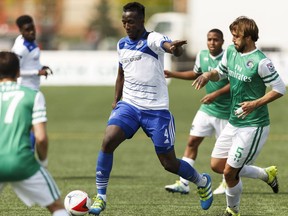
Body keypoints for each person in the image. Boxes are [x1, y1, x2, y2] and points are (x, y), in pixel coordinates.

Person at [89, 2, 213, 215]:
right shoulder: (121, 44)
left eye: (131, 21)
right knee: (108, 141)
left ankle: (202, 182)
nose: (127, 25)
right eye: (124, 21)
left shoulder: (152, 39)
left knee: (169, 163)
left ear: (141, 21)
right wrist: (116, 100)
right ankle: (100, 197)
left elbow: (168, 46)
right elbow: (121, 74)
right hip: (129, 106)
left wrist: (175, 48)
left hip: (156, 111)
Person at [192, 16, 286, 216]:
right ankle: (265, 174)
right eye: (232, 36)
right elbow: (221, 72)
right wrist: (210, 74)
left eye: (237, 36)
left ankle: (232, 210)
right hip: (234, 121)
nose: (233, 40)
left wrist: (255, 103)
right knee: (217, 165)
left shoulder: (261, 62)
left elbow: (279, 88)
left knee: (229, 172)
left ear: (249, 37)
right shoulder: (230, 52)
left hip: (254, 124)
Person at [0, 51, 69, 216]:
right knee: (56, 206)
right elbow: (40, 137)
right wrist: (43, 162)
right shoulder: (33, 95)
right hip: (21, 162)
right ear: (18, 72)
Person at [164, 29, 230, 195]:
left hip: (226, 112)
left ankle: (226, 183)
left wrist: (215, 94)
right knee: (192, 141)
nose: (212, 43)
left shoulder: (229, 57)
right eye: (209, 39)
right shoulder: (202, 55)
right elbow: (196, 74)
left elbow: (235, 84)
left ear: (222, 41)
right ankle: (184, 182)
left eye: (216, 40)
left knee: (224, 153)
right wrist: (172, 73)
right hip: (207, 109)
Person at [12, 15, 53, 150]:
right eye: (27, 30)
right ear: (21, 31)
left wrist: (41, 67)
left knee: (31, 128)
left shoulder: (31, 41)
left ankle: (26, 155)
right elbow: (15, 70)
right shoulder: (20, 48)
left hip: (33, 90)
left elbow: (33, 62)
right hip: (25, 91)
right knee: (33, 127)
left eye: (33, 28)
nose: (32, 32)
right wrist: (37, 72)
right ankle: (27, 155)